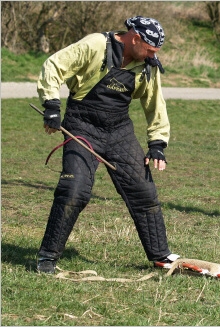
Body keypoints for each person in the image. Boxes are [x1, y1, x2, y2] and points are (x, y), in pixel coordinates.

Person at [36, 16, 179, 274]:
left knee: (143, 192)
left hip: (119, 131)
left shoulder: (148, 65)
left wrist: (157, 144)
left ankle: (161, 256)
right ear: (135, 38)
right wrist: (52, 106)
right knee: (74, 190)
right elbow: (53, 65)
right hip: (82, 126)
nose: (152, 56)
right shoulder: (95, 45)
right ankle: (47, 257)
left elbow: (155, 104)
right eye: (150, 50)